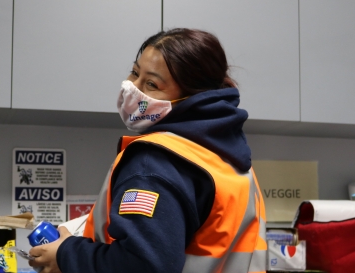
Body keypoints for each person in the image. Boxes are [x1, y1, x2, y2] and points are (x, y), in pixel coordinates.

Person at [29, 28, 267, 273]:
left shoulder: (154, 162)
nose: (133, 88)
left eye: (151, 84)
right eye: (135, 72)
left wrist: (67, 255)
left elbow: (144, 265)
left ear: (191, 96)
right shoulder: (232, 164)